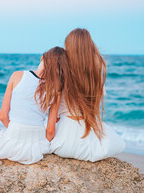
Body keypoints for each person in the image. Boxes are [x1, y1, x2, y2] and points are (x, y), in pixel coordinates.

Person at [0, 47, 68, 166]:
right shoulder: (56, 89)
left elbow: (3, 116)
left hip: (14, 135)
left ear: (42, 58)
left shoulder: (17, 76)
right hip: (36, 143)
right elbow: (50, 131)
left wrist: (16, 132)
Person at [46, 28, 125, 162]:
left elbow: (52, 118)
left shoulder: (62, 68)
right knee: (118, 142)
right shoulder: (98, 68)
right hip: (88, 138)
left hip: (64, 141)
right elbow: (95, 108)